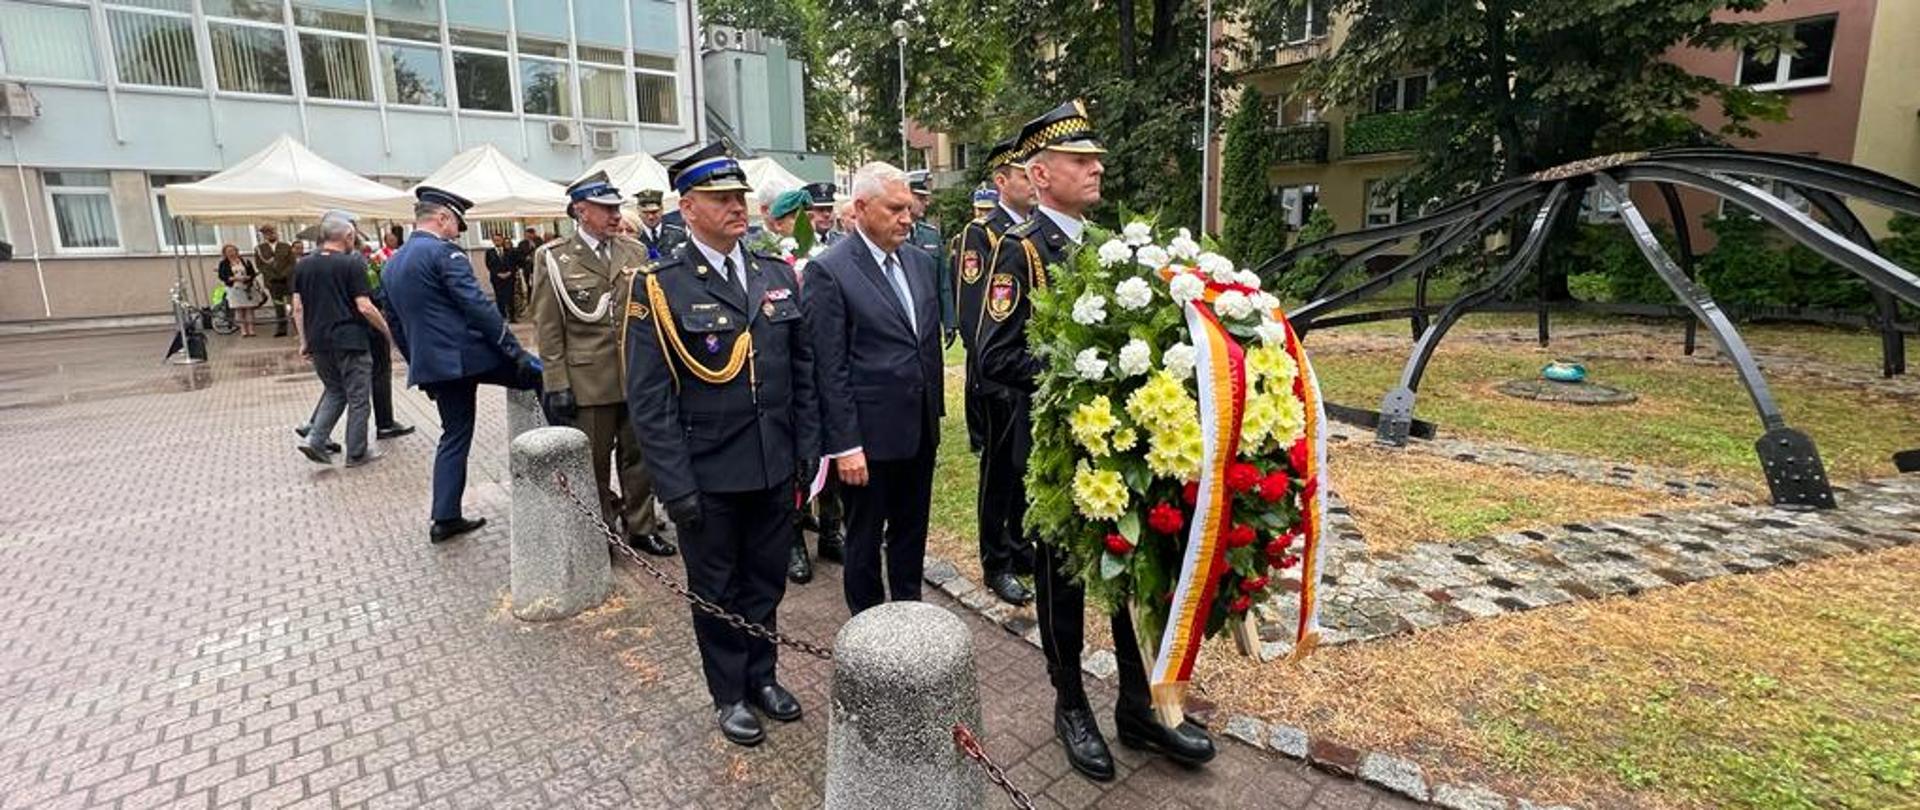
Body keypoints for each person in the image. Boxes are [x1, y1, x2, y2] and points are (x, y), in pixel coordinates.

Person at [978, 100, 1217, 782]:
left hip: (1123, 451)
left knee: (1129, 575)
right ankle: (1072, 704)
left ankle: (1139, 707)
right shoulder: (1018, 253)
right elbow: (994, 356)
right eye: (1081, 160)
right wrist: (1088, 381)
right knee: (1062, 584)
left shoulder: (1111, 246)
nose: (1097, 168)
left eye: (1097, 158)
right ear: (1041, 173)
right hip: (1059, 453)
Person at [624, 143, 817, 747]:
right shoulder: (659, 286)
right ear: (688, 207)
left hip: (773, 464)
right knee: (716, 590)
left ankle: (763, 676)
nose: (738, 207)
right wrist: (673, 486)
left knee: (766, 581)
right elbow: (649, 402)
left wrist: (807, 453)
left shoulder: (774, 273)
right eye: (722, 199)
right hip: (708, 472)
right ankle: (728, 692)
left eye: (740, 197)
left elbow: (801, 372)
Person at [802, 161, 944, 616]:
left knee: (911, 531)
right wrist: (845, 444)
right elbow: (829, 366)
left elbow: (925, 345)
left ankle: (910, 616)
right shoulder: (831, 271)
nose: (908, 217)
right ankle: (869, 631)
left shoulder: (919, 262)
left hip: (918, 428)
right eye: (896, 208)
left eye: (910, 208)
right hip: (867, 440)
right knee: (864, 539)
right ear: (861, 208)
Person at [382, 187, 544, 544]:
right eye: (457, 223)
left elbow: (394, 323)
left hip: (434, 364)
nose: (459, 231)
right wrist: (514, 352)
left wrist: (418, 366)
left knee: (454, 435)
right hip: (470, 357)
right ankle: (563, 458)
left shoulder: (393, 262)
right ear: (441, 218)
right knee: (544, 377)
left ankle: (445, 517)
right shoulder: (444, 253)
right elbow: (478, 308)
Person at [528, 171, 673, 558]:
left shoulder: (634, 251)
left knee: (639, 457)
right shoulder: (555, 258)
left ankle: (641, 527)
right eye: (606, 207)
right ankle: (602, 531)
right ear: (581, 211)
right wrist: (555, 382)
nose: (615, 214)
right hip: (588, 379)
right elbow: (548, 325)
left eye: (616, 207)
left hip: (636, 375)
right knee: (593, 462)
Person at [958, 135, 1041, 606]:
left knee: (1022, 467)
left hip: (1024, 371)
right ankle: (996, 561)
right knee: (998, 470)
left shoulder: (1030, 233)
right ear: (1001, 181)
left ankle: (1017, 543)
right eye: (1023, 174)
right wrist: (989, 374)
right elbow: (975, 311)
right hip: (997, 376)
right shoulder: (982, 235)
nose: (1032, 182)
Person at [292, 210, 395, 467]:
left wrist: (304, 341)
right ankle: (357, 453)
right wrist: (387, 332)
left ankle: (315, 439)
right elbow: (365, 306)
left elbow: (297, 307)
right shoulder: (352, 263)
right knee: (359, 398)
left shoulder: (303, 264)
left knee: (335, 390)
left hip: (318, 341)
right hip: (350, 340)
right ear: (349, 235)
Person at [906, 170, 957, 345]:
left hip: (929, 320)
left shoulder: (931, 235)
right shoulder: (891, 235)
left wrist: (949, 321)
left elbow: (943, 281)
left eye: (925, 198)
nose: (926, 203)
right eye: (920, 198)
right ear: (906, 196)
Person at [255, 224, 296, 337]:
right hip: (272, 281)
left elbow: (292, 263)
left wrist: (284, 274)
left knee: (291, 305)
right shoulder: (260, 249)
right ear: (264, 235)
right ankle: (281, 329)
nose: (270, 234)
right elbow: (260, 265)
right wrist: (272, 275)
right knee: (278, 306)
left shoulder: (285, 246)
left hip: (286, 280)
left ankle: (297, 328)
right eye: (267, 233)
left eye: (272, 232)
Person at [217, 244, 266, 337]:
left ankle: (251, 329)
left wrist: (248, 278)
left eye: (232, 250)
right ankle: (243, 330)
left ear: (236, 251)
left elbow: (252, 273)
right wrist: (231, 278)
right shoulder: (223, 263)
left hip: (246, 288)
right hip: (233, 288)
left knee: (249, 309)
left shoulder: (245, 261)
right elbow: (221, 275)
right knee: (239, 309)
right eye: (228, 252)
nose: (231, 253)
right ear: (225, 253)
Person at [633, 189, 687, 260]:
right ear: (638, 212)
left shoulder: (678, 234)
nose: (650, 217)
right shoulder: (634, 237)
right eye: (645, 213)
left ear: (662, 210)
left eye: (654, 212)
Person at [486, 233, 517, 321]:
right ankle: (502, 316)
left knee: (510, 297)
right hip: (497, 278)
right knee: (499, 297)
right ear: (493, 241)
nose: (497, 242)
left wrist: (509, 272)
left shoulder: (509, 251)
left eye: (499, 240)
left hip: (509, 277)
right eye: (495, 240)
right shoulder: (490, 252)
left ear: (502, 240)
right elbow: (489, 265)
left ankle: (512, 316)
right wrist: (498, 274)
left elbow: (513, 263)